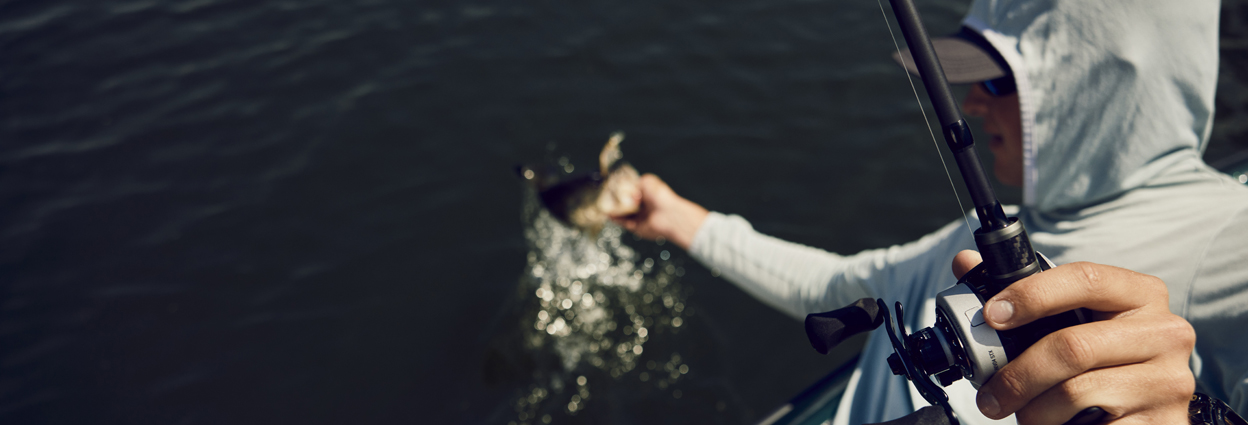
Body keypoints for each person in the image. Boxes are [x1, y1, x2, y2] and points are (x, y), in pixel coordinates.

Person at [613, 1, 1248, 424]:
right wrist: (678, 219)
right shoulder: (992, 228)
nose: (970, 104)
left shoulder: (1231, 243)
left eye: (998, 81)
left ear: (1105, 84)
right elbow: (837, 285)